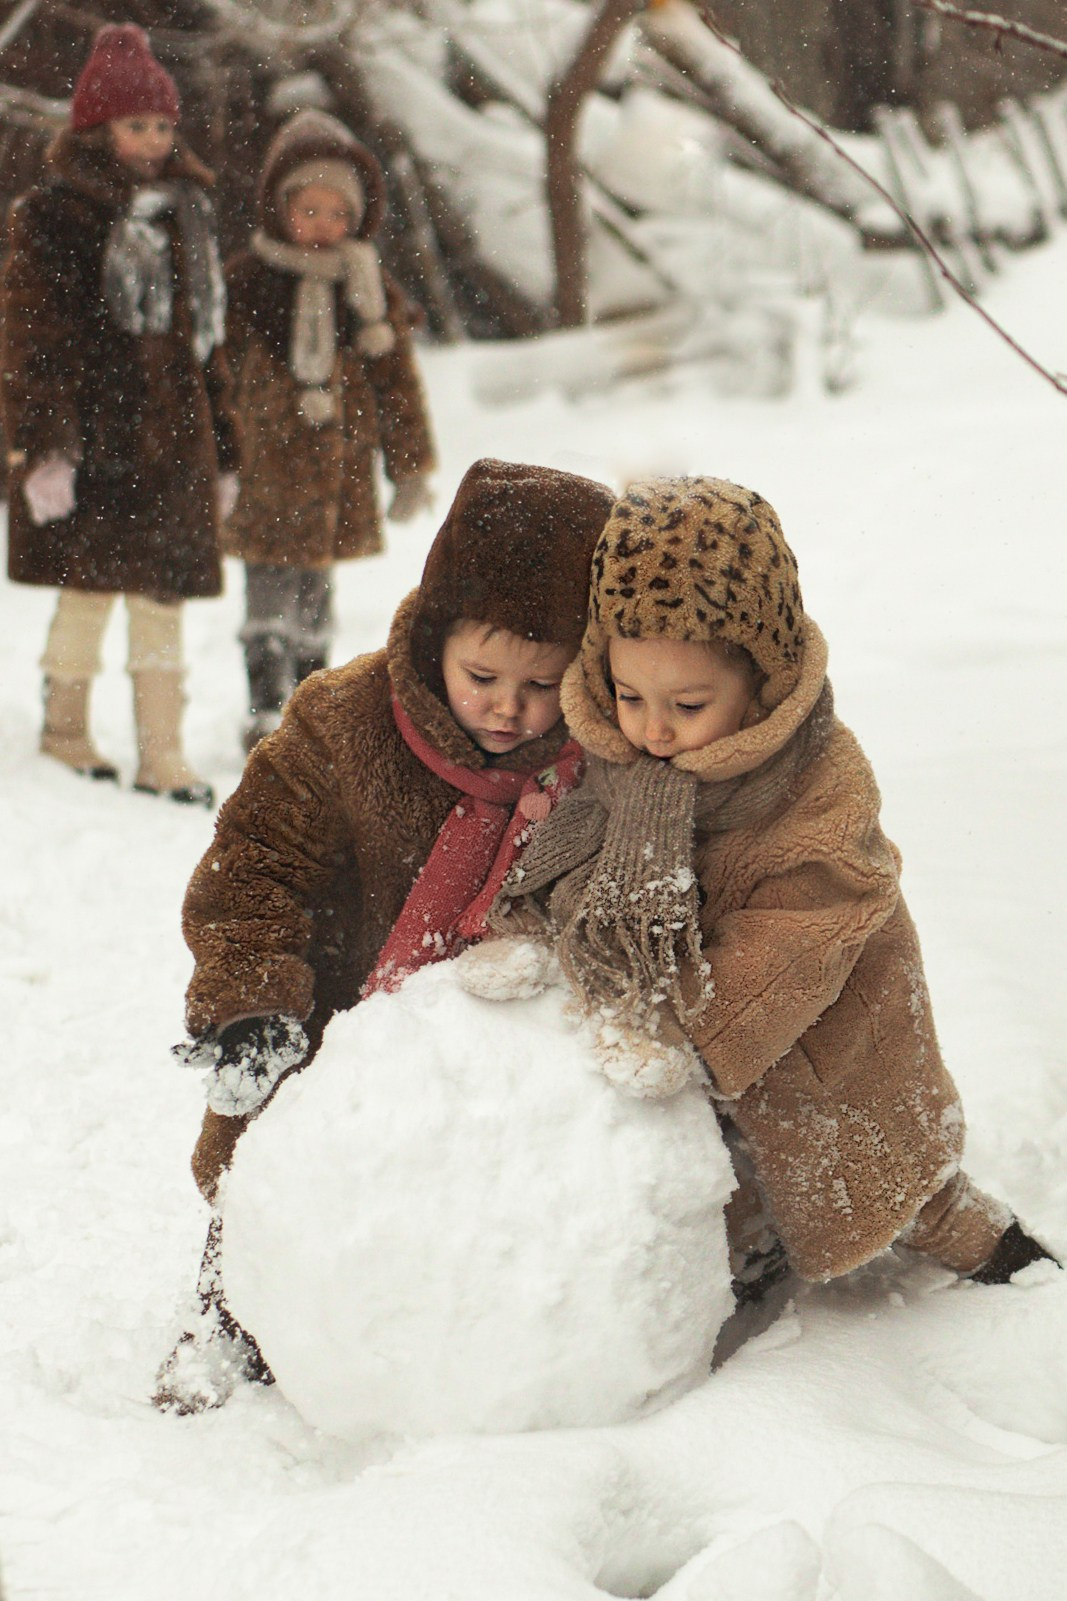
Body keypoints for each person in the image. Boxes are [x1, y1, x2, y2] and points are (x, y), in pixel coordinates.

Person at [470, 475, 1057, 1295]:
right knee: (729, 1172)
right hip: (705, 1036)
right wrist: (536, 935)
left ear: (760, 686)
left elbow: (797, 937)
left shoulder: (816, 785)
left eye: (687, 703)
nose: (652, 727)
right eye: (629, 696)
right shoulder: (619, 760)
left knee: (878, 1166)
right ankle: (745, 1241)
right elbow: (580, 868)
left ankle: (971, 1231)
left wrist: (682, 1027)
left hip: (824, 1034)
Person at [153, 457, 615, 1413]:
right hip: (330, 1017)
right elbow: (255, 863)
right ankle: (230, 1314)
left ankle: (432, 1335)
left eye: (543, 683)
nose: (509, 707)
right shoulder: (344, 723)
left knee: (459, 1191)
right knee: (273, 1165)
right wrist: (251, 1001)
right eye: (482, 676)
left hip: (487, 1047)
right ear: (437, 635)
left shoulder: (597, 761)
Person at [1, 23, 237, 806]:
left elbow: (208, 344)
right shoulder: (54, 216)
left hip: (174, 445)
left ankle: (163, 751)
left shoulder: (187, 212)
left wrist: (226, 451)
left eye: (164, 126)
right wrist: (46, 447)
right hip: (96, 440)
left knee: (161, 598)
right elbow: (34, 338)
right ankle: (65, 728)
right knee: (90, 589)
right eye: (138, 125)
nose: (154, 141)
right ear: (98, 127)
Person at [222, 108, 437, 751]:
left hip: (339, 462)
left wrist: (410, 464)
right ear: (280, 208)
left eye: (338, 213)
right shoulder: (248, 281)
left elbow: (396, 380)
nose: (323, 225)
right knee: (268, 582)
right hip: (266, 459)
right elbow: (216, 373)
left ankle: (309, 700)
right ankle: (264, 700)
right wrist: (217, 453)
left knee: (316, 584)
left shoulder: (367, 287)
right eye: (309, 210)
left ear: (360, 217)